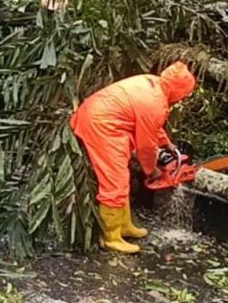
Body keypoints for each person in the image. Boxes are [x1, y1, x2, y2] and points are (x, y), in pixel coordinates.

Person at [69, 61, 198, 254]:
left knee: (122, 178)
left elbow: (151, 124)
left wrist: (166, 143)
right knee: (115, 181)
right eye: (184, 94)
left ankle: (124, 224)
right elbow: (146, 146)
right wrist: (152, 171)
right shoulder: (154, 103)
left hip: (106, 119)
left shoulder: (155, 85)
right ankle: (111, 237)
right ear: (178, 91)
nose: (183, 98)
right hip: (102, 125)